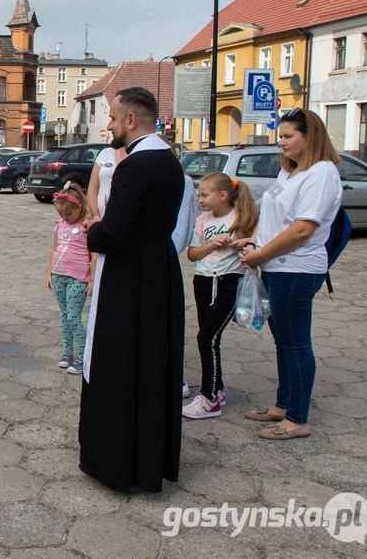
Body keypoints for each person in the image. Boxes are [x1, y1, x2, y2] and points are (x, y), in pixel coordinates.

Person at [79, 86, 185, 492]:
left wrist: (92, 229)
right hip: (158, 269)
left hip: (127, 277)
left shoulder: (133, 165)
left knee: (119, 364)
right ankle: (149, 458)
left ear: (130, 120)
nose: (107, 124)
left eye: (111, 117)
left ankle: (116, 462)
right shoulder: (170, 161)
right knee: (152, 364)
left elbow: (116, 234)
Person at [236, 108, 342, 440]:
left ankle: (297, 419)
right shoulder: (292, 171)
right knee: (283, 341)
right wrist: (254, 241)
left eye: (288, 137)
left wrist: (259, 254)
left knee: (296, 343)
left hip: (295, 270)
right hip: (274, 266)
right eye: (279, 136)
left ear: (309, 137)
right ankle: (283, 404)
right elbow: (276, 218)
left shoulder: (322, 173)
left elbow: (301, 230)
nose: (280, 142)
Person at [182, 172, 257, 419]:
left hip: (228, 282)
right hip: (203, 281)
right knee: (209, 338)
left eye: (205, 195)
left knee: (206, 337)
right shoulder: (203, 220)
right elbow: (192, 254)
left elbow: (257, 242)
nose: (200, 199)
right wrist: (212, 244)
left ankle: (209, 398)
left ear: (223, 195)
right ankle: (218, 389)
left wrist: (242, 242)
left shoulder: (241, 217)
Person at [46, 181, 95, 376]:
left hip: (78, 277)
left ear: (79, 208)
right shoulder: (59, 225)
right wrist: (49, 272)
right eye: (61, 214)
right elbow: (54, 249)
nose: (65, 217)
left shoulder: (86, 226)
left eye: (69, 214)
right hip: (59, 275)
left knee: (74, 317)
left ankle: (83, 356)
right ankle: (68, 353)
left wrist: (91, 280)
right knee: (64, 315)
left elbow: (93, 254)